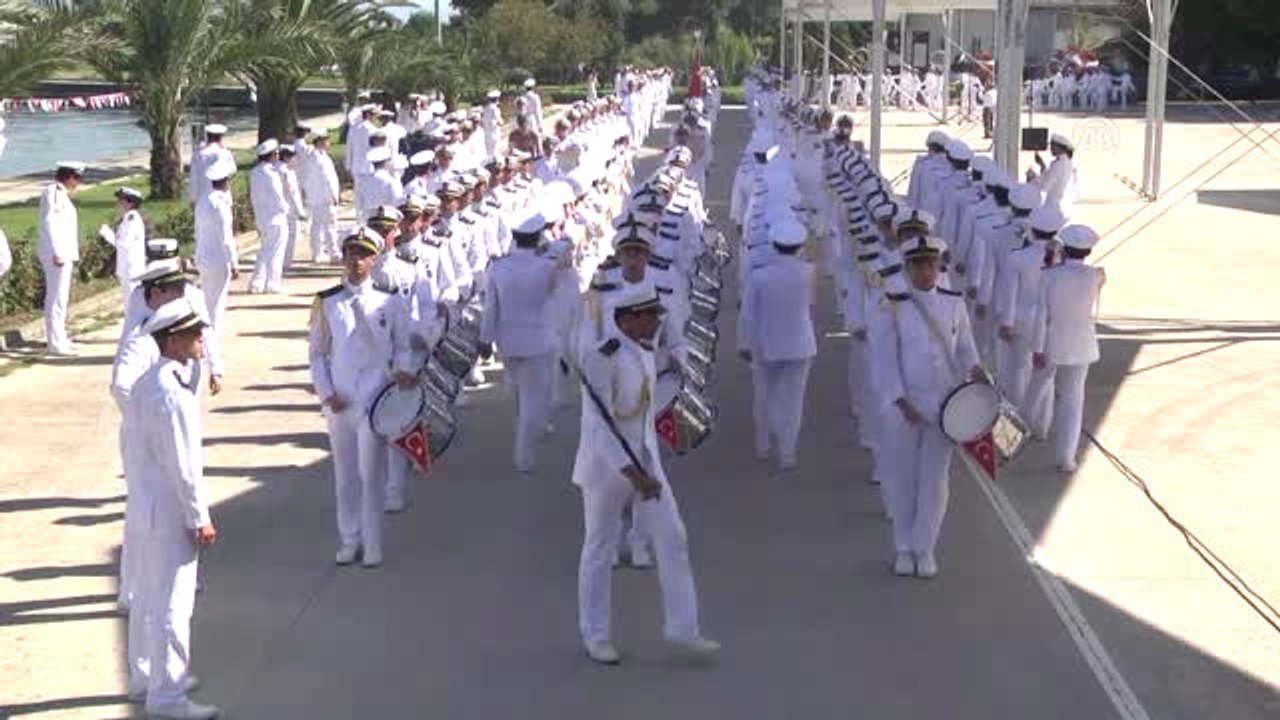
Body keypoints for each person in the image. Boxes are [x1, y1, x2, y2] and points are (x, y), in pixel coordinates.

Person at [573, 281, 719, 665]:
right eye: (651, 316)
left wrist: (647, 466)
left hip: (645, 460)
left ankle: (683, 627)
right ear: (630, 319)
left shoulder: (641, 350)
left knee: (673, 536)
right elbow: (598, 425)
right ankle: (596, 634)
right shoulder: (600, 358)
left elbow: (642, 415)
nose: (657, 322)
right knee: (600, 549)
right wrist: (634, 474)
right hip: (607, 469)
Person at [127, 298, 218, 719]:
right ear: (173, 338)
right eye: (193, 333)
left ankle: (151, 676)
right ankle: (168, 698)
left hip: (147, 507)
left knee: (148, 598)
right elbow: (183, 465)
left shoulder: (150, 382)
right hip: (169, 512)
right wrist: (199, 517)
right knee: (174, 605)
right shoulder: (169, 391)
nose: (201, 338)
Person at [873, 235, 983, 579]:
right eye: (918, 265)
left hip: (944, 407)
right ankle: (903, 548)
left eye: (930, 264)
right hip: (905, 406)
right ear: (907, 268)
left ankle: (925, 548)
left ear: (939, 266)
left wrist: (976, 371)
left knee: (935, 483)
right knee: (904, 480)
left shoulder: (952, 303)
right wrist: (899, 399)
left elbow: (965, 348)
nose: (925, 271)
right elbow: (885, 358)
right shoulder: (893, 306)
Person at [309, 227, 418, 568]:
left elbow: (403, 345)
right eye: (351, 253)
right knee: (345, 475)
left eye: (363, 254)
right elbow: (317, 353)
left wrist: (403, 370)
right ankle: (349, 539)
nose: (356, 260)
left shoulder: (389, 300)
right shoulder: (327, 302)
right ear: (343, 257)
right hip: (341, 402)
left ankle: (372, 542)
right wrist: (326, 394)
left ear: (374, 259)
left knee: (371, 475)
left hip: (376, 402)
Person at [479, 211, 565, 472]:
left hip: (508, 341)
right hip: (538, 342)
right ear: (538, 236)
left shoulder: (499, 266)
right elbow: (555, 300)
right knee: (534, 402)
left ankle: (523, 438)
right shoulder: (547, 266)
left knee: (519, 395)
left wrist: (485, 339)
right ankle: (523, 455)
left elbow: (490, 307)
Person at [737, 214, 816, 470]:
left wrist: (744, 344)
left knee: (764, 394)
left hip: (766, 342)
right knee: (794, 400)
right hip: (801, 343)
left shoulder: (759, 276)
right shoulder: (809, 272)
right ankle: (788, 453)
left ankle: (763, 445)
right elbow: (811, 303)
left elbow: (748, 313)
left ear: (773, 244)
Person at [1027, 224, 1105, 472]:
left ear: (1064, 248)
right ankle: (1066, 458)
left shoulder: (1049, 276)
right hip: (1082, 344)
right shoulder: (1097, 275)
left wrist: (1037, 347)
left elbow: (1041, 315)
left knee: (1036, 390)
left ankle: (1024, 430)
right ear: (1089, 251)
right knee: (1073, 401)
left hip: (1052, 343)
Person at [37, 161, 85, 355]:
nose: (78, 183)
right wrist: (57, 251)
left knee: (61, 298)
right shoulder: (54, 192)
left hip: (63, 253)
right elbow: (50, 222)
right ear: (69, 177)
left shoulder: (61, 194)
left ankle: (60, 337)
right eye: (78, 179)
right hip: (57, 254)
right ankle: (55, 342)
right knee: (56, 298)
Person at [194, 161, 238, 335]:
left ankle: (203, 336)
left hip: (203, 256)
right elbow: (226, 238)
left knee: (206, 300)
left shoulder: (203, 200)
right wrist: (234, 263)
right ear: (226, 181)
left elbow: (197, 231)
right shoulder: (221, 204)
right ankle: (212, 340)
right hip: (218, 259)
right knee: (217, 303)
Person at [248, 140, 289, 294]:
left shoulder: (255, 172)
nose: (278, 155)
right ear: (271, 155)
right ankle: (272, 283)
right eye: (276, 153)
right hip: (276, 217)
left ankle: (257, 282)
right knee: (277, 251)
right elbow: (278, 197)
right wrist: (287, 209)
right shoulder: (271, 174)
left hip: (261, 217)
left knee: (265, 250)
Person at [99, 187, 148, 308]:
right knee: (129, 303)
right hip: (127, 267)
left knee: (132, 304)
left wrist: (107, 234)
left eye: (121, 200)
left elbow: (124, 244)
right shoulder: (128, 218)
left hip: (131, 269)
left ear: (130, 202)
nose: (118, 203)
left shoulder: (132, 218)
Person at [302, 130, 341, 263]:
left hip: (316, 197)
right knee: (330, 225)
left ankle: (317, 252)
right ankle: (334, 253)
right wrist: (333, 195)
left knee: (317, 225)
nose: (328, 142)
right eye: (326, 140)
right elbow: (327, 178)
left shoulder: (315, 156)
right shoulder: (319, 158)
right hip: (325, 197)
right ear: (320, 142)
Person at [1027, 132, 1078, 218]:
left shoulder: (1059, 164)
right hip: (1063, 206)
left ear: (1061, 148)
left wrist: (1032, 178)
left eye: (1053, 146)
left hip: (1053, 207)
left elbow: (1045, 187)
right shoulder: (1067, 162)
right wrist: (1042, 165)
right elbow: (1050, 177)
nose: (1050, 149)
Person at [187, 124, 232, 205]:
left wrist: (193, 199)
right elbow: (232, 170)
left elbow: (193, 178)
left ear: (207, 136)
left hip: (202, 199)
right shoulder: (223, 152)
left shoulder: (197, 154)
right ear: (220, 137)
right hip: (221, 198)